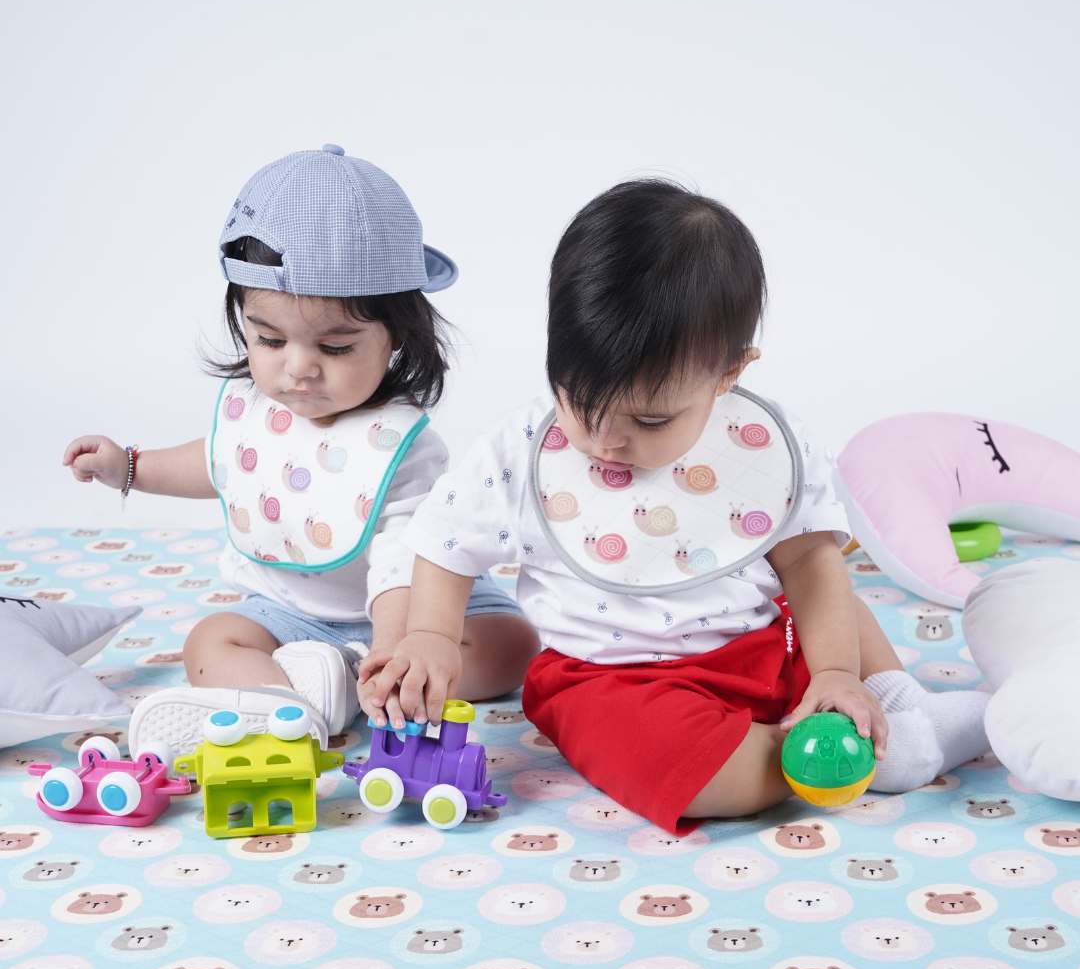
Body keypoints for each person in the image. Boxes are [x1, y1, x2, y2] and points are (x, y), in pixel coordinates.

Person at [359, 178, 989, 835]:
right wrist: (431, 634)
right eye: (577, 399)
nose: (603, 439)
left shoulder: (761, 449)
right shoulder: (521, 452)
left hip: (763, 645)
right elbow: (443, 541)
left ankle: (897, 708)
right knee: (715, 781)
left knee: (832, 603)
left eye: (649, 419)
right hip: (609, 683)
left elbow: (810, 563)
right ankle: (840, 754)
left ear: (729, 374)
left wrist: (833, 671)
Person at [63, 143, 538, 754]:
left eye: (335, 348)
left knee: (513, 646)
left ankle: (349, 679)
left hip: (416, 609)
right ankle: (295, 706)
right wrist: (130, 466)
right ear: (242, 322)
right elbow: (215, 463)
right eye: (268, 340)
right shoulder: (255, 411)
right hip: (289, 614)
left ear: (398, 336)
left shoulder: (402, 446)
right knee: (207, 644)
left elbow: (400, 560)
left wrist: (398, 645)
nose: (298, 370)